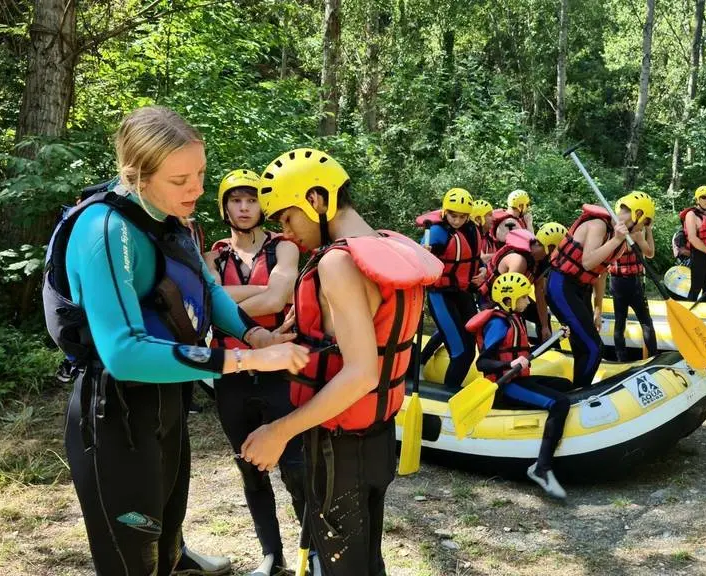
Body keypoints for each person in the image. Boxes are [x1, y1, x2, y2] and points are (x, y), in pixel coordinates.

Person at [43, 106, 308, 576]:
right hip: (116, 415)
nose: (199, 190)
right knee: (132, 562)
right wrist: (245, 360)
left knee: (167, 539)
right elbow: (123, 352)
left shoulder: (171, 217)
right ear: (136, 174)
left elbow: (206, 287)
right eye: (181, 179)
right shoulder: (106, 230)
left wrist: (253, 332)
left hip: (167, 400)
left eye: (201, 173)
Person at [240, 147, 442, 576]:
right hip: (378, 439)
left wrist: (279, 432)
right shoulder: (388, 246)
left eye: (287, 217)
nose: (285, 231)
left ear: (315, 199)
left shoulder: (338, 261)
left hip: (338, 450)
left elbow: (361, 373)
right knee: (367, 560)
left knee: (342, 565)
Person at [204, 168, 305, 576]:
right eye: (236, 200)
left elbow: (281, 294)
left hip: (279, 369)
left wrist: (226, 299)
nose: (244, 208)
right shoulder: (212, 256)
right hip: (231, 375)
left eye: (251, 200)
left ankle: (311, 549)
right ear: (225, 206)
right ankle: (271, 554)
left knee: (295, 465)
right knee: (250, 469)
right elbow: (210, 305)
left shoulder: (285, 248)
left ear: (263, 204)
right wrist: (256, 298)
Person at [467, 273, 573, 498]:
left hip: (518, 378)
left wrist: (557, 336)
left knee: (565, 385)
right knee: (560, 403)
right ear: (508, 300)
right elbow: (482, 362)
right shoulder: (497, 323)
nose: (528, 301)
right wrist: (509, 363)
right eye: (524, 297)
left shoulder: (515, 317)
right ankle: (541, 468)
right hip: (505, 386)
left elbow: (522, 349)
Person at [546, 204, 628, 388]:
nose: (644, 230)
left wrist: (598, 309)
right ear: (638, 216)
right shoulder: (599, 225)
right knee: (593, 348)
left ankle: (577, 390)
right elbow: (588, 262)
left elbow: (600, 272)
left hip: (581, 289)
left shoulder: (620, 240)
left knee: (582, 345)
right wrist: (615, 240)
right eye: (645, 224)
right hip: (561, 285)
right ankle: (579, 394)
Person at [416, 188, 486, 389]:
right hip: (441, 296)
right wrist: (422, 254)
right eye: (453, 215)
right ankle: (448, 394)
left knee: (472, 343)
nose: (457, 221)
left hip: (462, 293)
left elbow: (474, 259)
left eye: (462, 217)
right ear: (445, 212)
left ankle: (446, 385)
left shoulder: (472, 229)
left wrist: (482, 270)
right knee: (461, 353)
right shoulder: (437, 231)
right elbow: (420, 259)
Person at [476, 228, 552, 343]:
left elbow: (540, 294)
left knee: (541, 316)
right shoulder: (519, 260)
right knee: (516, 322)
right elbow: (508, 294)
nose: (551, 256)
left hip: (516, 298)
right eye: (552, 250)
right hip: (494, 299)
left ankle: (546, 347)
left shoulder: (539, 263)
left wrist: (545, 326)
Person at [607, 192, 658, 361]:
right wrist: (649, 231)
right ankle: (652, 357)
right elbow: (650, 253)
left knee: (619, 323)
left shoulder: (612, 228)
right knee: (646, 322)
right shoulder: (636, 233)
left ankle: (621, 358)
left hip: (616, 283)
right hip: (633, 283)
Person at [471, 198, 495, 263]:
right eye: (490, 215)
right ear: (478, 219)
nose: (494, 218)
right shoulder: (472, 236)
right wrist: (501, 255)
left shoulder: (488, 236)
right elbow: (482, 258)